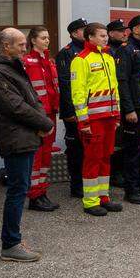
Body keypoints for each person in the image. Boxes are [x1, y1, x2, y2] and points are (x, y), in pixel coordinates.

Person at [0, 28, 55, 262]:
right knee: (17, 191)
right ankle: (10, 244)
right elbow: (15, 106)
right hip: (16, 138)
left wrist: (41, 120)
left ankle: (13, 239)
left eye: (25, 44)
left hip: (25, 136)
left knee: (20, 188)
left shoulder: (12, 68)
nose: (25, 48)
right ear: (6, 47)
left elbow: (31, 99)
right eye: (21, 45)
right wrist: (44, 122)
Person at [69, 23, 122, 215]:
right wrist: (83, 121)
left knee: (106, 158)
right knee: (92, 159)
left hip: (109, 118)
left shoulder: (108, 57)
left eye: (106, 35)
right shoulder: (80, 60)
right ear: (89, 37)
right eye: (101, 36)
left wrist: (117, 115)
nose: (105, 38)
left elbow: (115, 89)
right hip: (93, 120)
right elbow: (78, 93)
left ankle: (103, 197)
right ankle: (90, 201)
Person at [115, 15, 140, 204]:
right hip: (135, 108)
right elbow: (122, 81)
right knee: (133, 150)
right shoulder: (127, 50)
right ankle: (131, 189)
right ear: (134, 29)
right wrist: (129, 109)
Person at [21, 26, 59, 212]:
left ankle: (42, 193)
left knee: (46, 156)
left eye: (48, 37)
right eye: (43, 38)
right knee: (37, 157)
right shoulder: (26, 62)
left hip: (50, 114)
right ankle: (34, 196)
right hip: (37, 116)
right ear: (33, 40)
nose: (47, 40)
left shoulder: (50, 62)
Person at [54, 18, 88, 198]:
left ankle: (89, 182)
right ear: (74, 33)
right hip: (74, 112)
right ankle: (77, 185)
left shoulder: (91, 51)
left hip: (91, 110)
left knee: (90, 149)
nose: (87, 32)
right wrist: (68, 112)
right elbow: (65, 84)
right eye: (83, 30)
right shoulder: (67, 53)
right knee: (76, 149)